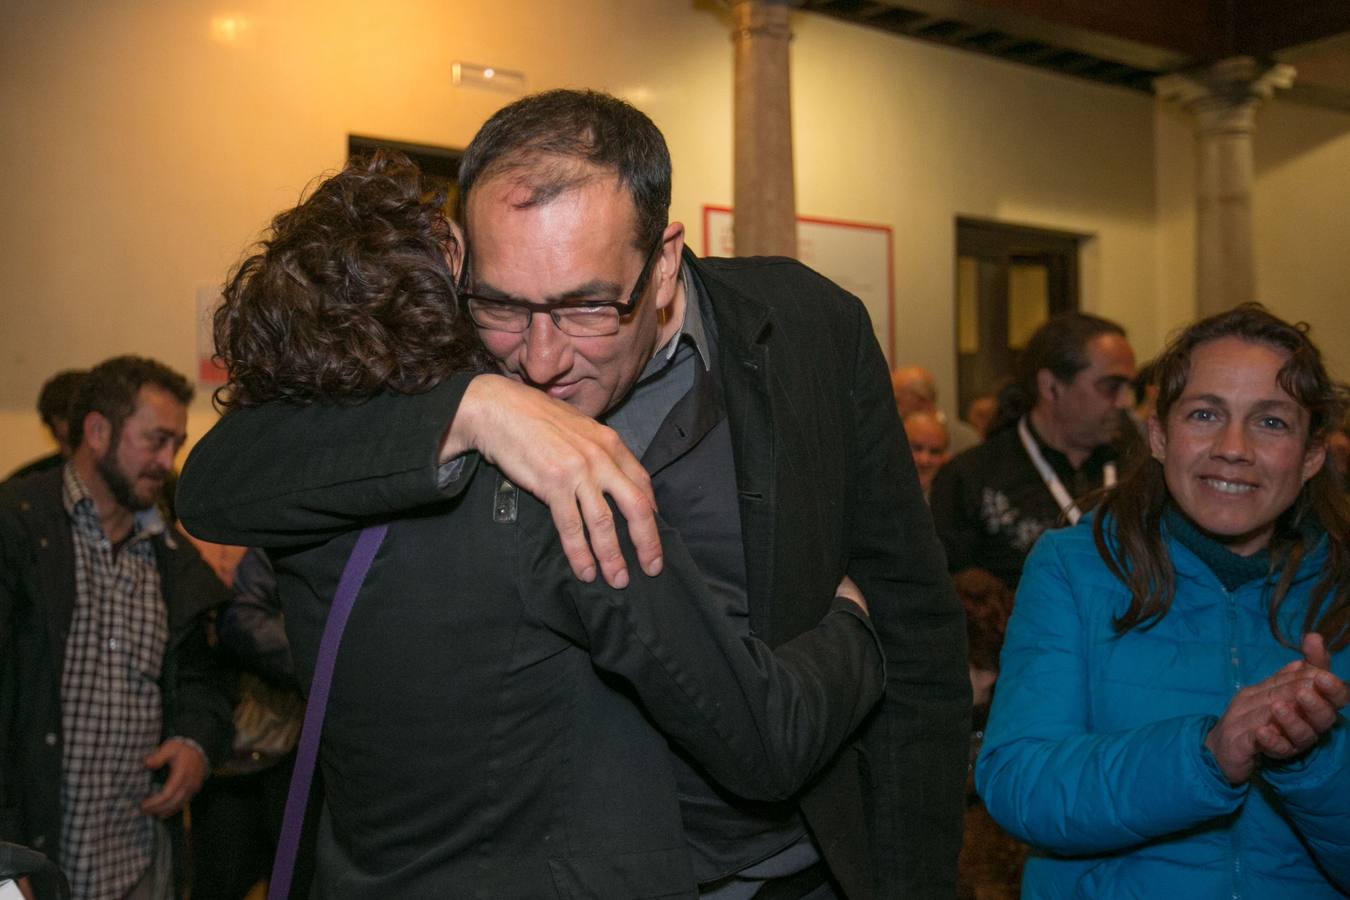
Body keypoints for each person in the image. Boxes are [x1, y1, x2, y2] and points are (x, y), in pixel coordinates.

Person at [177, 90, 970, 899]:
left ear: (662, 263)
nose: (543, 359)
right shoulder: (473, 399)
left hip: (798, 874)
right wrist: (474, 408)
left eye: (588, 306)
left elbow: (917, 626)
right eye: (503, 305)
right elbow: (219, 479)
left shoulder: (809, 326)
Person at [976, 304, 1350, 897]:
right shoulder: (1074, 569)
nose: (1234, 448)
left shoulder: (1339, 593)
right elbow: (1020, 786)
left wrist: (1309, 757)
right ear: (1157, 435)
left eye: (1272, 422)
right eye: (1205, 414)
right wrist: (1205, 755)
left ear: (1311, 456)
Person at [0, 356, 234, 900]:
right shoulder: (17, 530)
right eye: (155, 441)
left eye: (176, 444)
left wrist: (195, 742)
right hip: (37, 859)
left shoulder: (171, 556)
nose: (167, 461)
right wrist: (8, 863)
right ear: (98, 431)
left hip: (137, 863)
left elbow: (204, 674)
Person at [930, 313, 1136, 588]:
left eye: (1128, 387)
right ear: (1050, 387)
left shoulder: (1137, 469)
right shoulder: (971, 478)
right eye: (1111, 387)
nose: (1126, 402)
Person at [6, 370, 87, 482]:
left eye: (82, 440)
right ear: (54, 435)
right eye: (67, 442)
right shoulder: (22, 486)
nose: (78, 454)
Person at [891, 364, 979, 455]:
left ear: (922, 402)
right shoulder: (894, 434)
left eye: (897, 402)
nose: (891, 409)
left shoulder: (964, 439)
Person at [903, 411, 949, 500]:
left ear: (945, 458)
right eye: (916, 448)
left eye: (935, 452)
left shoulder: (954, 503)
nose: (924, 460)